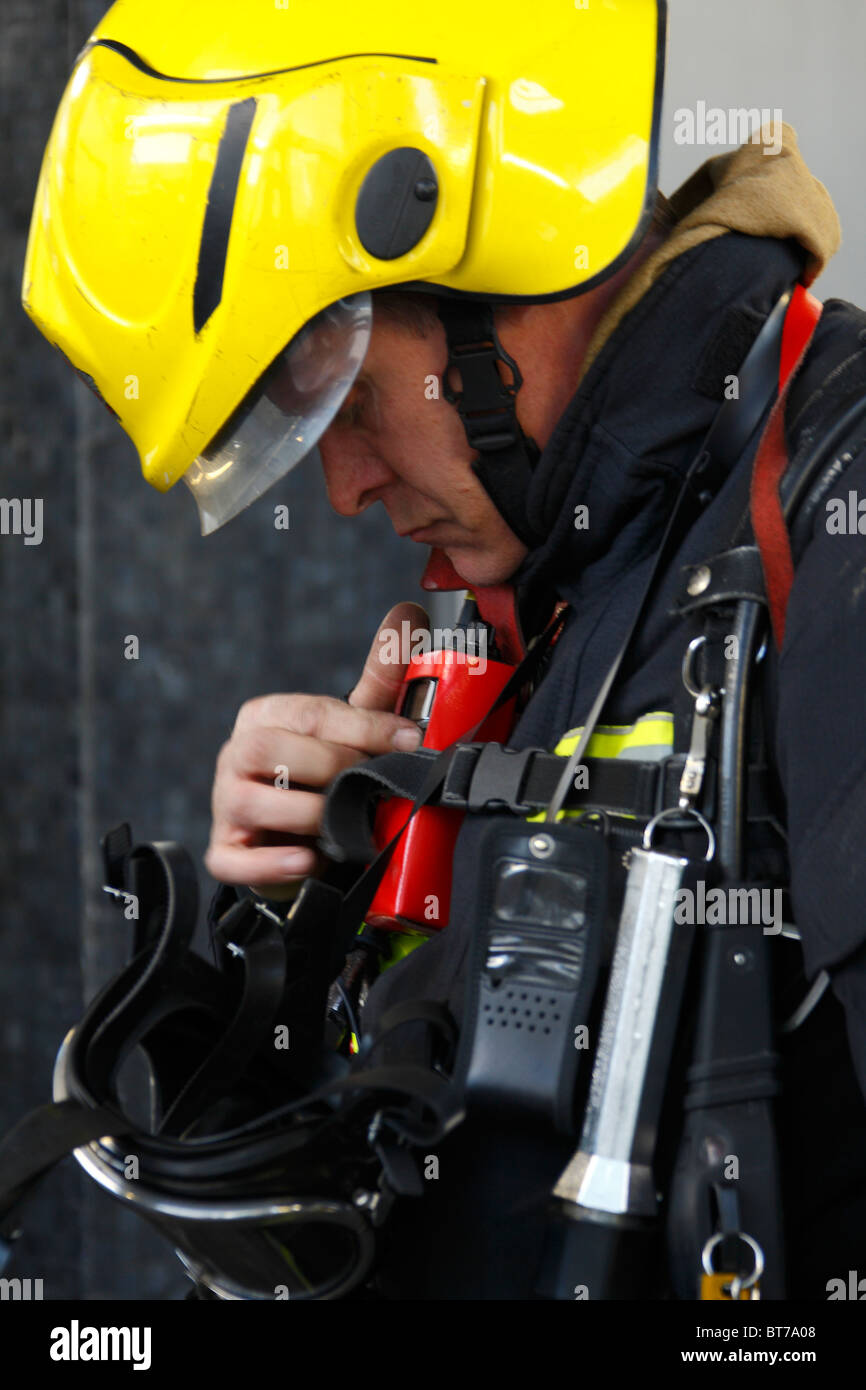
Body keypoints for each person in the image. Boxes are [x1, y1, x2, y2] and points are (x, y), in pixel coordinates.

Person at [19, 0, 866, 1300]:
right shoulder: (558, 602)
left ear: (502, 270)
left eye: (346, 402)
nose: (346, 490)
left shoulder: (826, 511)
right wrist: (301, 944)